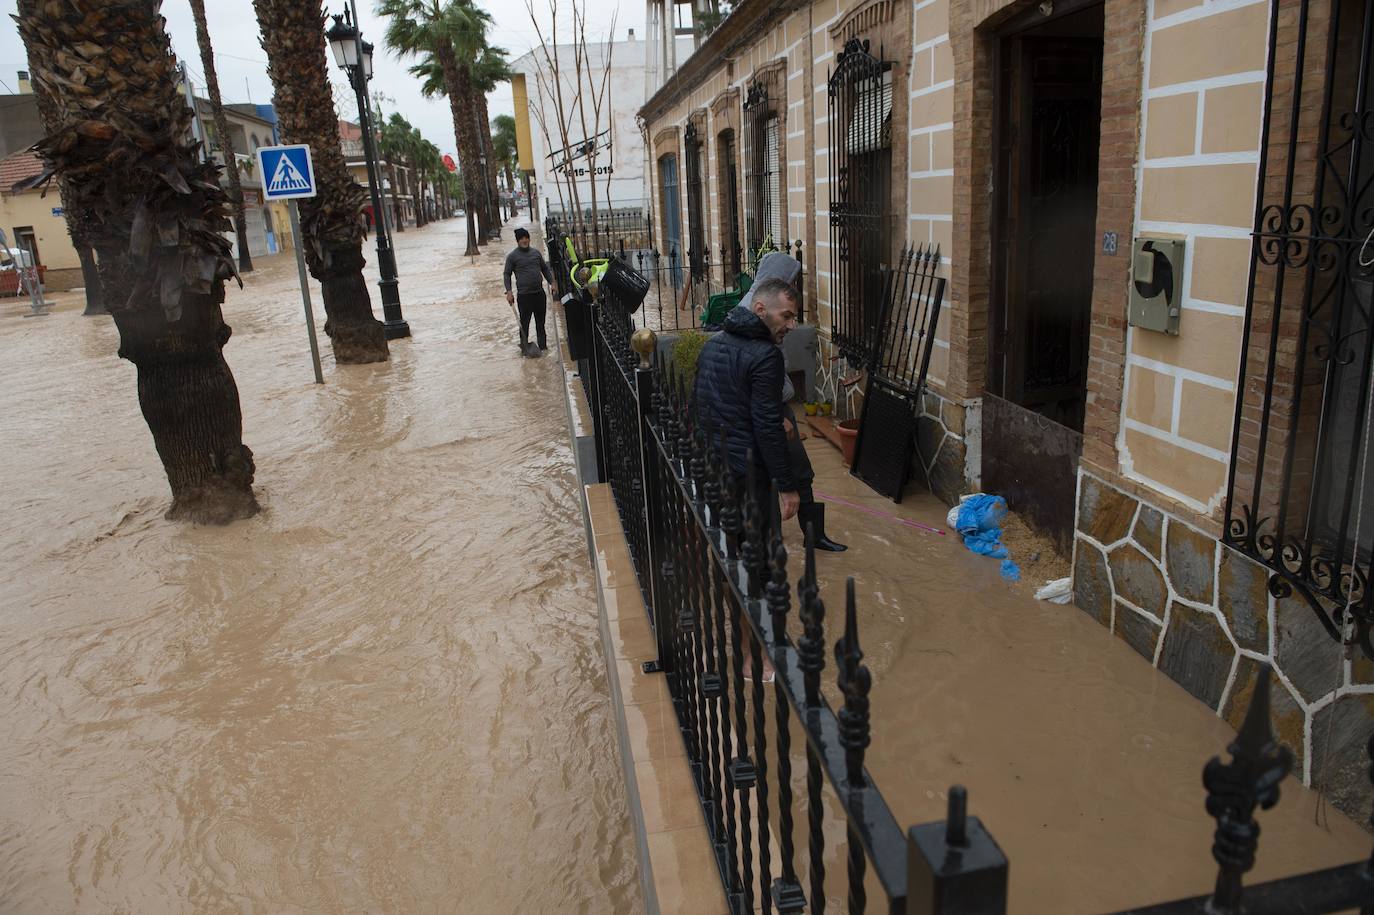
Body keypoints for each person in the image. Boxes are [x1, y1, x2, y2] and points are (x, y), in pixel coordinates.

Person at [735, 253, 847, 551]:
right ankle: (793, 538)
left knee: (787, 471)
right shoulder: (756, 314)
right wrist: (775, 415)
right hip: (767, 409)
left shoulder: (759, 307)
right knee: (790, 470)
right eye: (792, 278)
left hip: (771, 406)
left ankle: (800, 536)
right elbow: (754, 374)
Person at [693, 276, 802, 543]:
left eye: (794, 317)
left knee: (727, 549)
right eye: (786, 316)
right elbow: (766, 426)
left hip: (712, 466)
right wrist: (787, 487)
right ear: (760, 310)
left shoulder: (713, 343)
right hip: (747, 473)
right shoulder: (766, 355)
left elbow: (696, 405)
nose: (791, 325)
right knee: (760, 557)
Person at [503, 227, 555, 352]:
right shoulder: (512, 256)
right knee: (524, 325)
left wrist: (552, 282)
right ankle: (525, 350)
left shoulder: (536, 253)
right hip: (524, 296)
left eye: (526, 238)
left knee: (540, 324)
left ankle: (543, 348)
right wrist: (509, 291)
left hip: (539, 294)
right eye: (522, 238)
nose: (525, 240)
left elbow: (545, 269)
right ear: (517, 241)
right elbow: (507, 274)